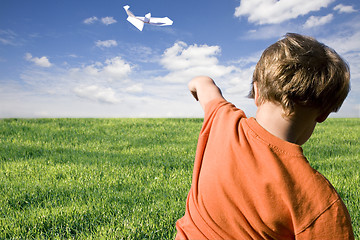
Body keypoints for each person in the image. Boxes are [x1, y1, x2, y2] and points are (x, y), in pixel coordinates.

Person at [175, 33, 354, 239]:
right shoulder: (320, 201)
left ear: (257, 92)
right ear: (324, 113)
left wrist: (198, 86)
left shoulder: (221, 120)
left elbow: (201, 82)